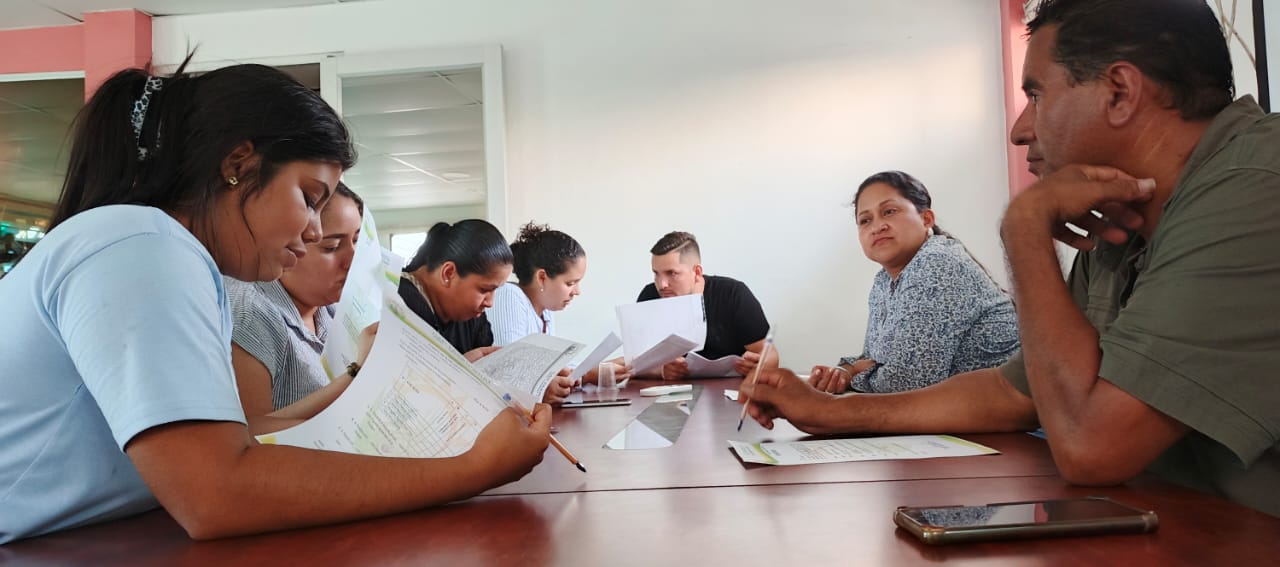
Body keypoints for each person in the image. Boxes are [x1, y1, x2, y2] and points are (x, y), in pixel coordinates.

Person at [740, 0, 1280, 518]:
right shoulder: (1124, 220)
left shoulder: (1255, 188)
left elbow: (1091, 447)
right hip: (1175, 522)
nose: (1021, 129)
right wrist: (829, 413)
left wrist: (1024, 230)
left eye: (1036, 95)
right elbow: (1014, 391)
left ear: (1119, 92)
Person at [0, 63, 550, 544]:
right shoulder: (143, 244)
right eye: (309, 198)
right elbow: (217, 492)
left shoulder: (173, 256)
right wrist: (471, 469)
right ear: (238, 164)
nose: (312, 229)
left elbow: (236, 441)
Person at [808, 171, 1019, 394]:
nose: (877, 226)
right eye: (865, 220)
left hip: (1016, 408)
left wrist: (855, 376)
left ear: (926, 219)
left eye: (889, 212)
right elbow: (872, 359)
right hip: (964, 407)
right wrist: (844, 370)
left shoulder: (938, 263)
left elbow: (907, 383)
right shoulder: (883, 282)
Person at [226, 182, 371, 421]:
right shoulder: (250, 313)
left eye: (357, 241)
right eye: (332, 247)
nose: (352, 260)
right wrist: (356, 371)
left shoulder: (334, 309)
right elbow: (251, 432)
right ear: (288, 246)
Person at [486, 222, 631, 386]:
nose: (577, 291)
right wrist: (588, 374)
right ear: (542, 277)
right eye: (570, 283)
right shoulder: (509, 295)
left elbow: (553, 370)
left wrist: (600, 368)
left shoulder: (546, 312)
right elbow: (511, 371)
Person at [636, 231, 777, 379]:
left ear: (697, 272)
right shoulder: (649, 297)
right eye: (656, 273)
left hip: (732, 388)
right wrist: (660, 371)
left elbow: (770, 355)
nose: (662, 284)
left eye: (672, 273)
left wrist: (758, 366)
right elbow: (634, 363)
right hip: (670, 390)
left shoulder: (733, 294)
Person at [397, 219, 510, 360]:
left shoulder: (472, 318)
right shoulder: (398, 301)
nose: (490, 303)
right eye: (484, 290)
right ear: (448, 273)